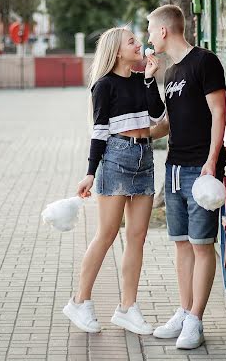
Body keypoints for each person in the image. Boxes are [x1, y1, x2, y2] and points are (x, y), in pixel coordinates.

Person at [63, 26, 165, 335]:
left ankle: (127, 308)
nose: (139, 44)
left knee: (137, 237)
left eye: (137, 39)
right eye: (131, 41)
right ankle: (79, 302)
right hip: (115, 159)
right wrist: (90, 172)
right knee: (106, 234)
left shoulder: (141, 80)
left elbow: (158, 115)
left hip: (144, 159)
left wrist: (150, 79)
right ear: (117, 51)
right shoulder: (103, 86)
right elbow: (99, 132)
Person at [147, 4, 226, 349]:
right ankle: (183, 311)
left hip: (200, 169)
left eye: (150, 30)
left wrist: (212, 161)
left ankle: (195, 320)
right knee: (181, 243)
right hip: (174, 168)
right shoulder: (171, 72)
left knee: (201, 244)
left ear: (163, 31)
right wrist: (141, 132)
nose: (149, 37)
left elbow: (219, 111)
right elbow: (168, 121)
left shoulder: (204, 62)